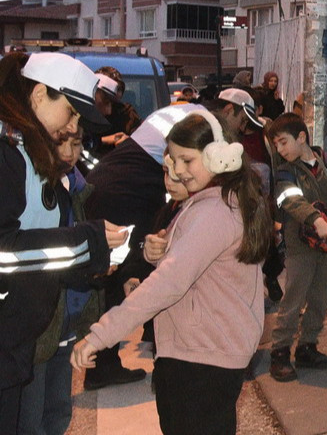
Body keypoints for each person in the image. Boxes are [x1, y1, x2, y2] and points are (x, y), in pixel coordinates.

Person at [72, 110, 272, 435]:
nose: (177, 171)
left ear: (219, 157)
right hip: (203, 353)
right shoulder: (214, 203)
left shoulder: (214, 212)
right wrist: (161, 255)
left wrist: (101, 334)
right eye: (171, 161)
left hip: (201, 360)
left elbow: (170, 283)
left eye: (186, 161)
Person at [0, 52, 124, 431]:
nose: (73, 126)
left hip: (16, 338)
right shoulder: (6, 154)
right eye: (71, 113)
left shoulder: (24, 150)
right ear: (39, 96)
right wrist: (87, 243)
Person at [81, 103, 204, 391]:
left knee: (115, 275)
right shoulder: (195, 123)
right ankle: (103, 366)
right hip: (124, 195)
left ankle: (104, 362)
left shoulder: (178, 112)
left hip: (114, 186)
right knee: (115, 278)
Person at [17, 126, 103, 435]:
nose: (68, 152)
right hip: (40, 322)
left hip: (68, 313)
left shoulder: (77, 188)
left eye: (76, 144)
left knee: (59, 408)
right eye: (60, 143)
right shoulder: (33, 187)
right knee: (30, 416)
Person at [265, 113, 327, 382]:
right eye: (276, 145)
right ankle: (280, 352)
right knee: (293, 298)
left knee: (321, 297)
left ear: (301, 137)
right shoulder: (285, 171)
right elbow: (289, 199)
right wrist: (315, 219)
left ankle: (307, 346)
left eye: (283, 142)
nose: (280, 150)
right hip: (301, 245)